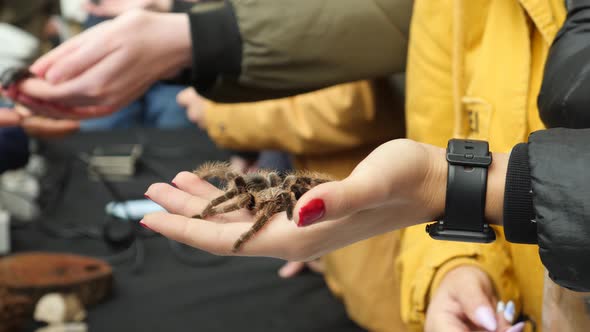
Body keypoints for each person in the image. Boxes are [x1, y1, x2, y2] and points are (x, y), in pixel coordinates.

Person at [2, 0, 558, 331]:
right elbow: (440, 132)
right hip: (447, 249)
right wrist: (452, 263)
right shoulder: (448, 20)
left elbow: (398, 132)